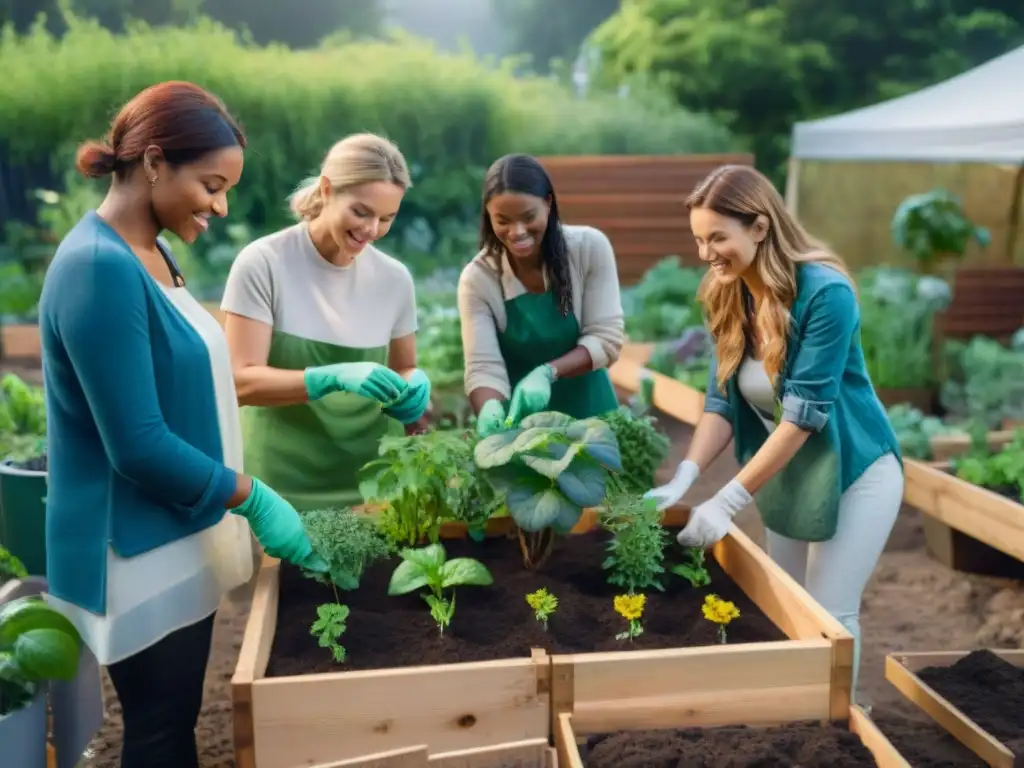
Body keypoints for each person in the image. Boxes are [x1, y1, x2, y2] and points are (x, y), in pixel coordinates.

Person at [39, 82, 325, 768]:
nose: (221, 207)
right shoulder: (98, 268)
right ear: (156, 162)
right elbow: (136, 445)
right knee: (161, 733)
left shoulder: (150, 252)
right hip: (132, 546)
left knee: (175, 724)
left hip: (171, 530)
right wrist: (252, 494)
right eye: (212, 184)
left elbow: (183, 376)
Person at [645, 164, 903, 703]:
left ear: (760, 227)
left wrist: (728, 499)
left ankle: (841, 729)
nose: (705, 253)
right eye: (698, 238)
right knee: (781, 605)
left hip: (856, 469)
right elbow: (721, 398)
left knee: (829, 611)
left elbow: (805, 416)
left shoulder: (825, 293)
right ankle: (793, 719)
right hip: (786, 469)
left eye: (718, 237)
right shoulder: (728, 289)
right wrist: (687, 476)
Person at [221, 133, 429, 510]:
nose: (371, 230)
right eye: (361, 212)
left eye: (387, 218)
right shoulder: (264, 264)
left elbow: (405, 366)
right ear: (328, 189)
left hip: (375, 489)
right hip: (281, 492)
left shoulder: (394, 279)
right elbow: (239, 382)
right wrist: (329, 377)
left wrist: (415, 384)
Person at [458, 153, 625, 434]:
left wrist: (548, 372)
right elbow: (483, 366)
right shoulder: (479, 279)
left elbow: (607, 339)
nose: (517, 232)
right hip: (520, 430)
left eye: (528, 217)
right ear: (488, 214)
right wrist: (488, 407)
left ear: (548, 204)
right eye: (503, 221)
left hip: (593, 422)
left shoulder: (588, 248)